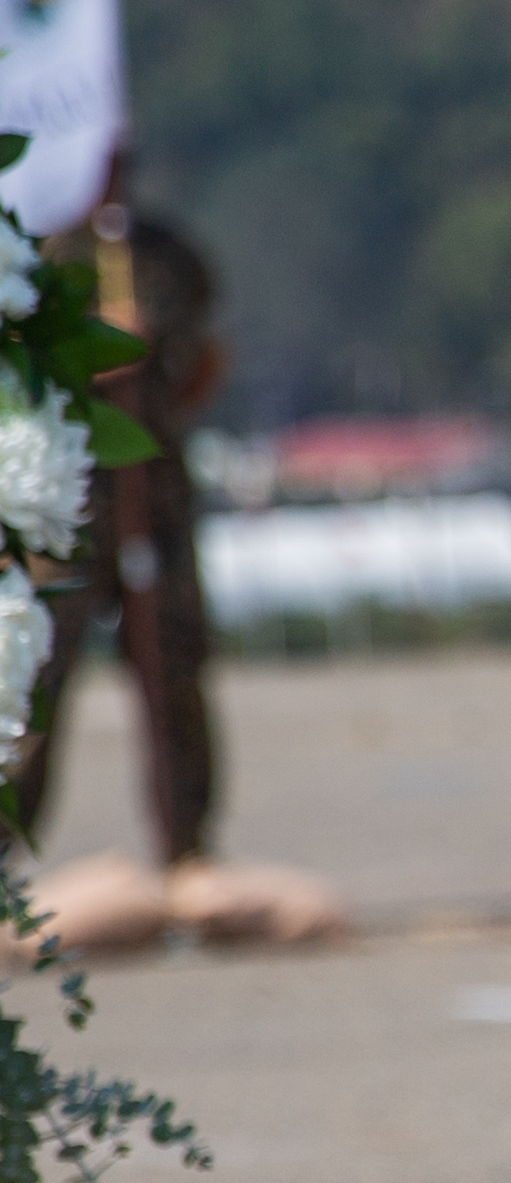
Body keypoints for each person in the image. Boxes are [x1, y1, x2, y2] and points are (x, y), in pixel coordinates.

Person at [9, 184, 341, 952]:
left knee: (175, 668)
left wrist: (156, 404)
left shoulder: (165, 256)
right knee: (33, 680)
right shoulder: (37, 257)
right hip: (63, 497)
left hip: (155, 485)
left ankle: (188, 848)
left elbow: (207, 358)